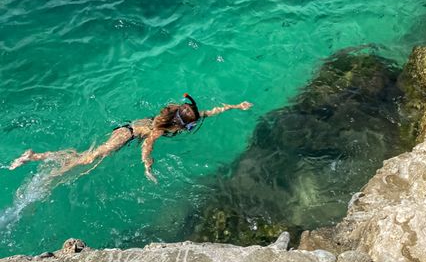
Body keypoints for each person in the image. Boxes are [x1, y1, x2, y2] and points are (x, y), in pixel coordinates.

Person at [9, 94, 253, 183]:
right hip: (126, 135)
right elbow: (147, 147)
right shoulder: (159, 131)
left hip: (128, 129)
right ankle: (35, 157)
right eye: (189, 127)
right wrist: (148, 167)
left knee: (84, 155)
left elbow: (210, 112)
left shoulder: (173, 119)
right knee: (87, 159)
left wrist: (236, 106)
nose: (192, 127)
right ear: (177, 125)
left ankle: (36, 156)